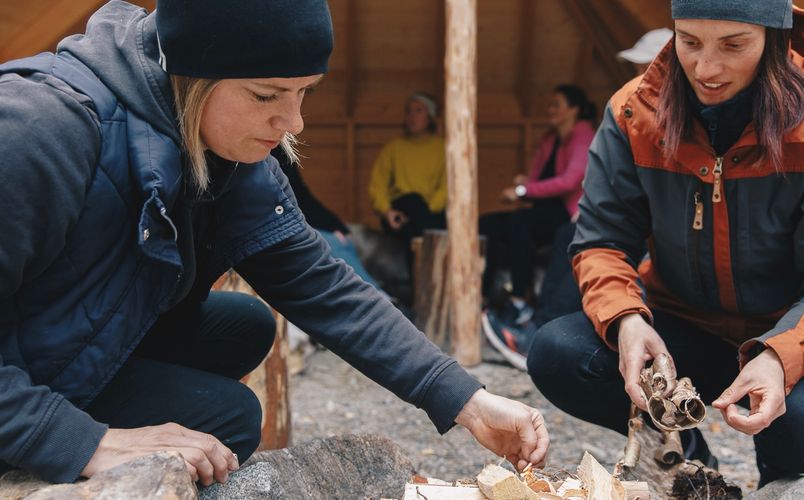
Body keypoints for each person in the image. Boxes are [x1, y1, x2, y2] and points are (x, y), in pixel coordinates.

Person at [0, 0, 548, 486]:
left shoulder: (228, 150)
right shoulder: (41, 128)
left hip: (61, 341)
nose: (294, 122)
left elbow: (321, 282)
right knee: (229, 417)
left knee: (245, 325)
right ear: (193, 74)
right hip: (17, 378)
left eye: (305, 92)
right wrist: (80, 440)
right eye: (268, 95)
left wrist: (465, 400)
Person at [528, 0, 804, 487]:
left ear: (773, 40)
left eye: (733, 45)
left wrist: (782, 358)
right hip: (679, 328)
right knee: (559, 352)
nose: (706, 68)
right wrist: (626, 319)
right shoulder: (634, 112)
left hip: (785, 333)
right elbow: (601, 242)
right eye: (689, 42)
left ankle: (779, 484)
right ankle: (689, 468)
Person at [481, 34, 675, 370]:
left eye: (646, 67)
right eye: (639, 69)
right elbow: (611, 178)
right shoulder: (637, 113)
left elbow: (576, 181)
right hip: (614, 215)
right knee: (549, 233)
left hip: (649, 225)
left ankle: (535, 329)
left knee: (571, 236)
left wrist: (529, 192)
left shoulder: (666, 118)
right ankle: (528, 318)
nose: (641, 76)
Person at [478, 85, 596, 361]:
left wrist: (523, 191)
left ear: (574, 110)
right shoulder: (549, 138)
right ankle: (486, 299)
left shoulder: (583, 135)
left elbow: (570, 181)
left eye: (557, 104)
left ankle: (520, 304)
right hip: (543, 209)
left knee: (521, 224)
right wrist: (527, 185)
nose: (550, 110)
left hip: (569, 211)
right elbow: (537, 178)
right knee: (489, 225)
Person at [272, 147, 382, 291]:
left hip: (299, 221)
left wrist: (335, 226)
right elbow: (283, 204)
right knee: (329, 243)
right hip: (279, 227)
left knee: (346, 239)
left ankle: (381, 296)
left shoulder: (280, 150)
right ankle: (375, 296)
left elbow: (301, 196)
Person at [367, 91, 447, 272]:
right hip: (398, 210)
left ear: (431, 117)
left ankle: (417, 293)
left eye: (418, 110)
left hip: (429, 212)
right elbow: (377, 184)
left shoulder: (442, 148)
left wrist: (427, 211)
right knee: (412, 200)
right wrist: (387, 211)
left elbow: (447, 187)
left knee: (413, 230)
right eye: (408, 111)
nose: (412, 116)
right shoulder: (394, 147)